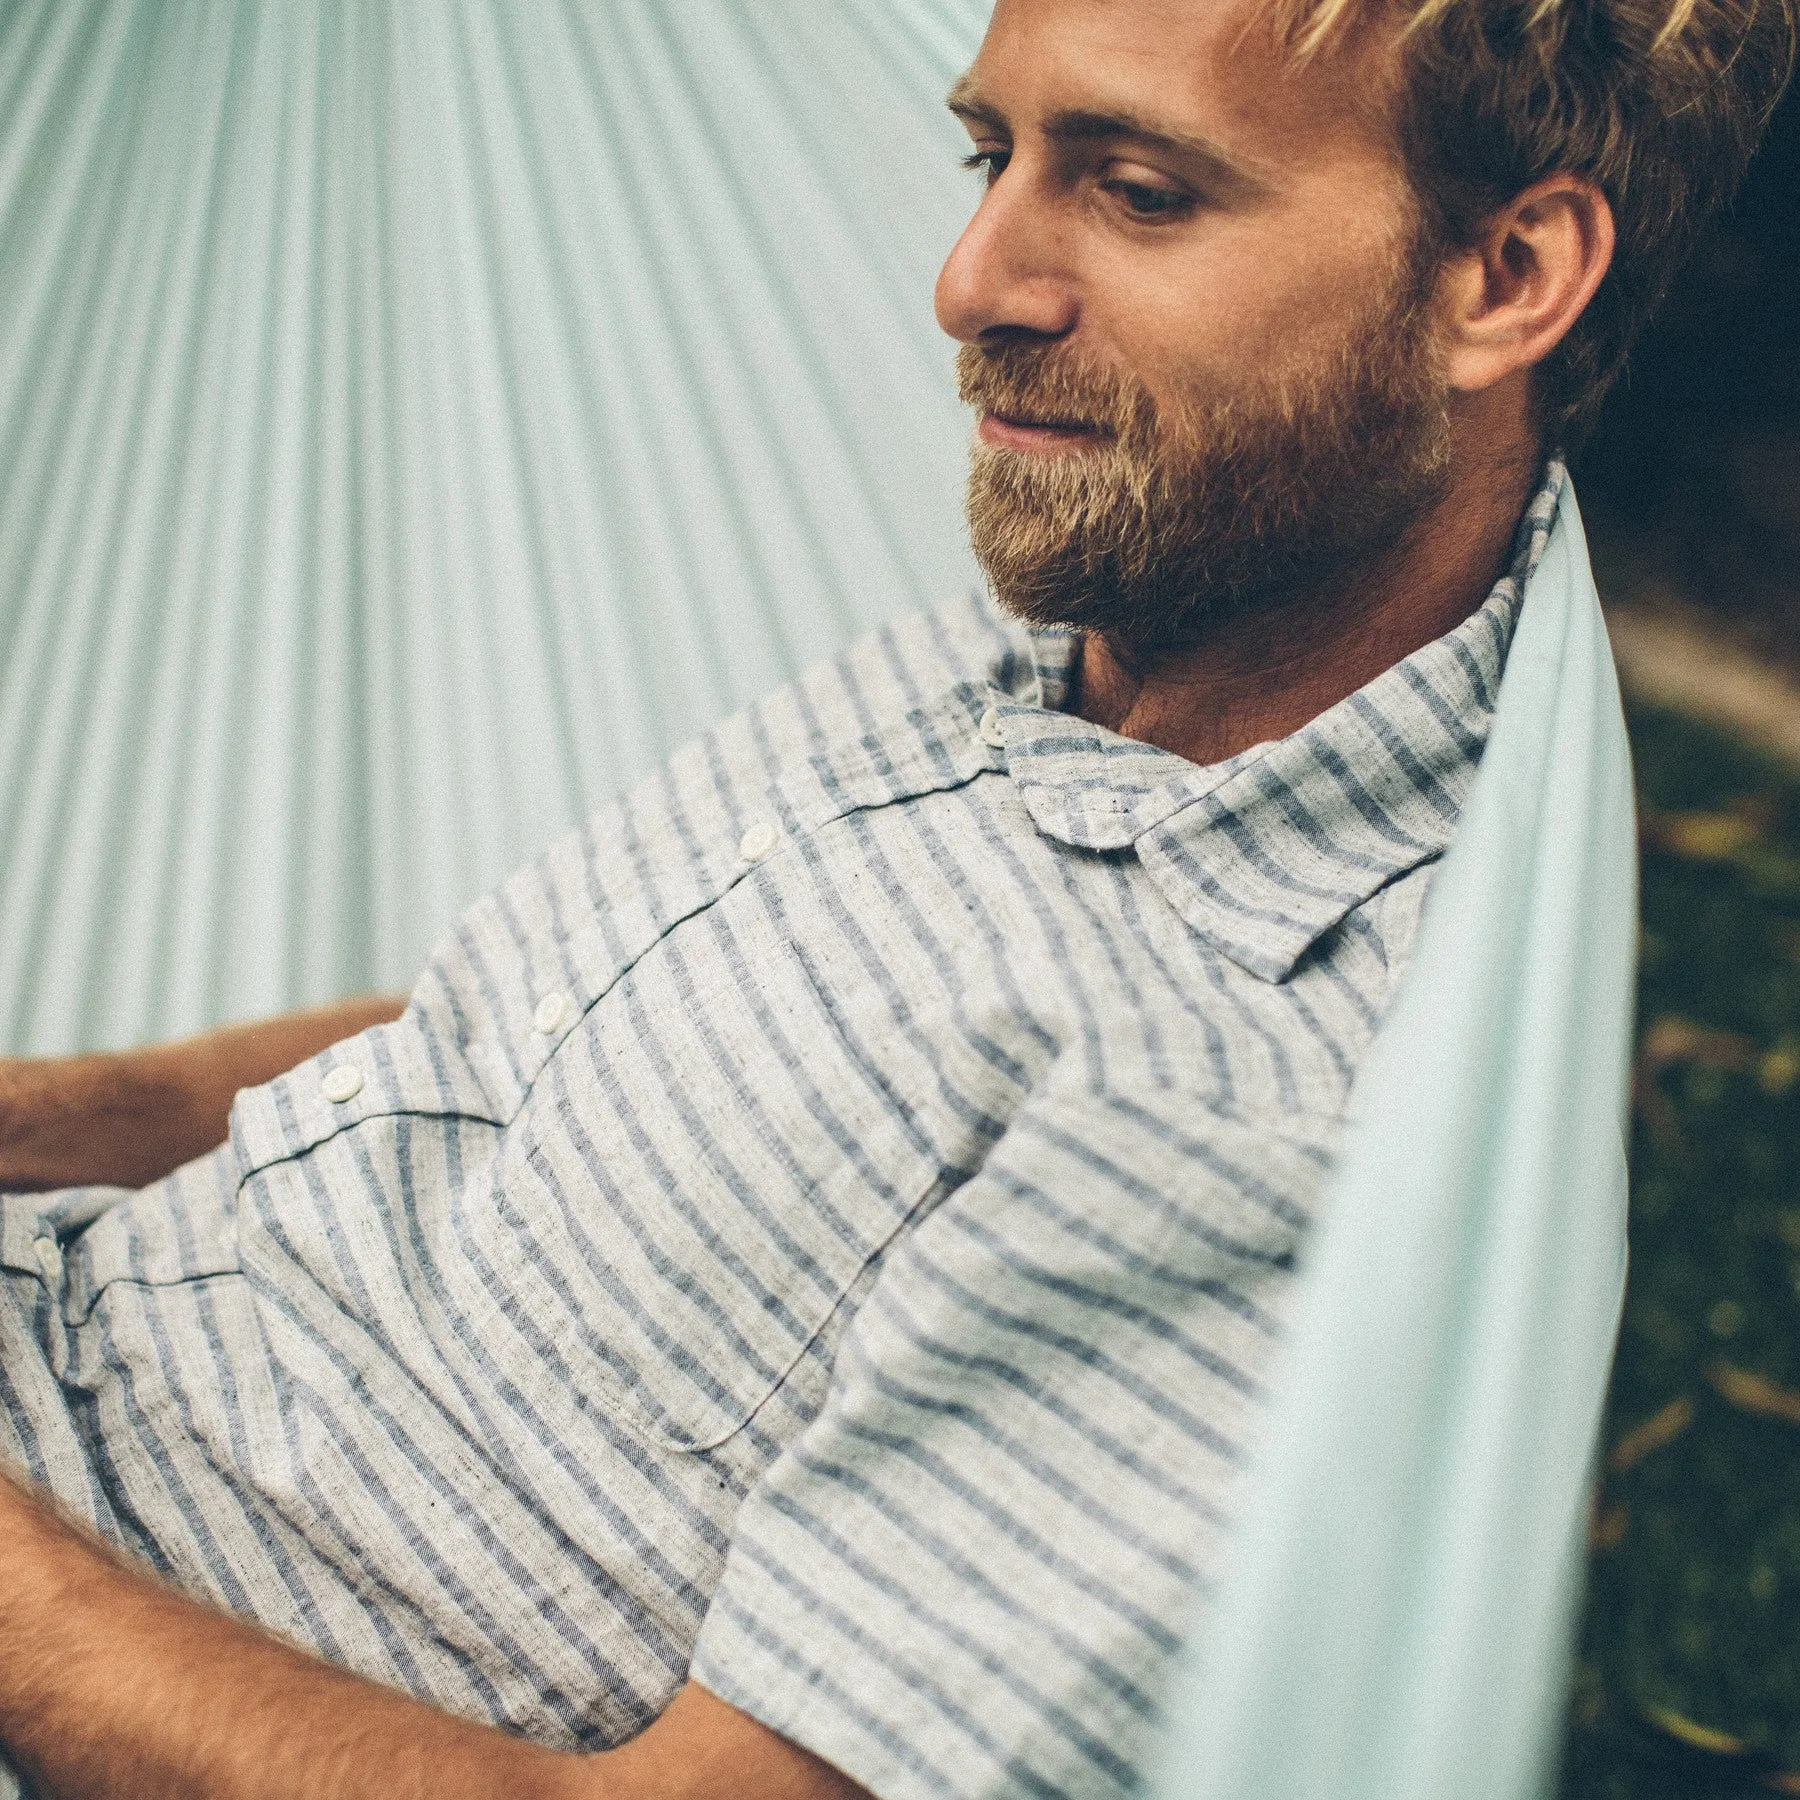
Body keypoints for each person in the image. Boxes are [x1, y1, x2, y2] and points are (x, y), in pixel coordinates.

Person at [0, 0, 1791, 1795]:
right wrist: (48, 1116)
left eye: (1142, 191)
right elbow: (514, 1062)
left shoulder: (1257, 1122)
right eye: (989, 155)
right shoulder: (1072, 634)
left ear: (1508, 273)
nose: (970, 281)